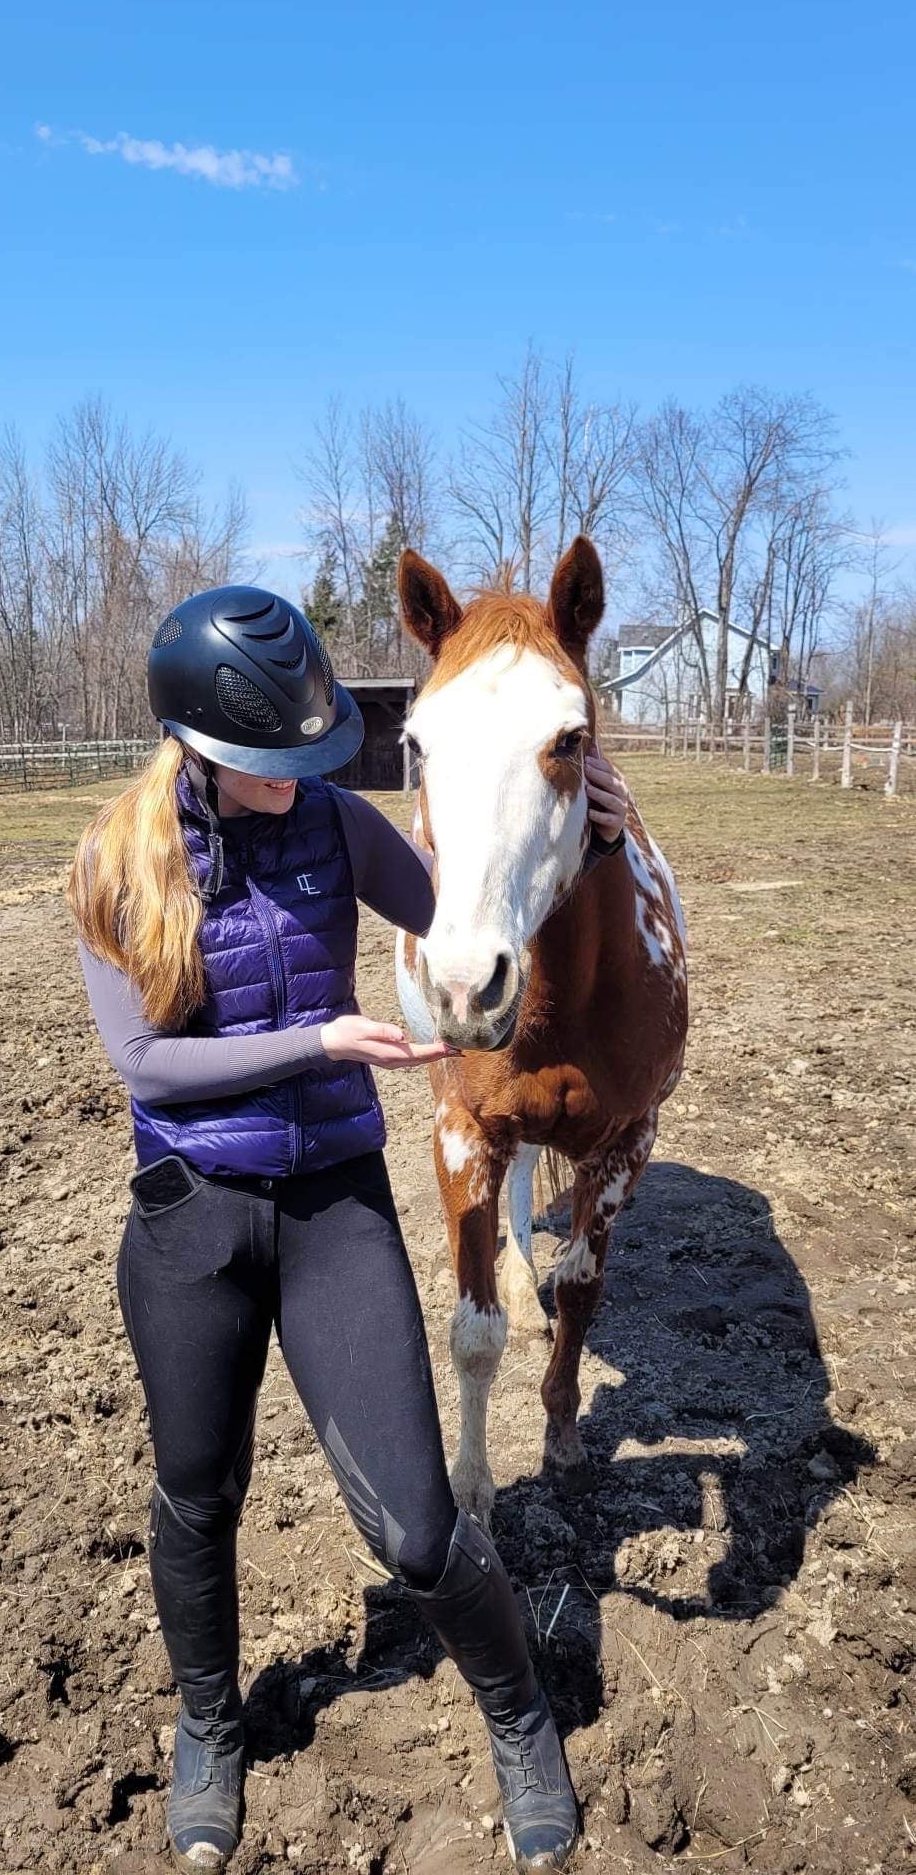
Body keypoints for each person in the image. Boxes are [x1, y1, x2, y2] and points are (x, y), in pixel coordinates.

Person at [67, 586, 629, 1874]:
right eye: (272, 767)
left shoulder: (333, 823)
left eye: (310, 760)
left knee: (419, 1528)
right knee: (198, 1497)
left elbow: (459, 901)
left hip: (331, 1202)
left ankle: (519, 1713)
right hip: (192, 1217)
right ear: (198, 745)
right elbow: (146, 1068)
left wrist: (580, 841)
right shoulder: (115, 860)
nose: (299, 786)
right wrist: (320, 1038)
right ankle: (208, 1726)